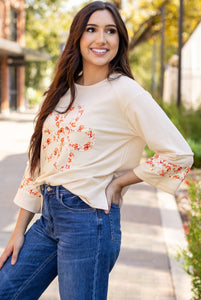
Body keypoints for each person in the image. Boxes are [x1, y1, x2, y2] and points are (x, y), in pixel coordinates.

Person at [0, 1, 193, 299]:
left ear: (120, 40)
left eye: (110, 31)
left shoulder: (126, 91)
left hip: (89, 221)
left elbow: (178, 153)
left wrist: (120, 182)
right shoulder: (62, 92)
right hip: (48, 219)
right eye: (91, 29)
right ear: (78, 37)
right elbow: (39, 160)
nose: (101, 39)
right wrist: (18, 230)